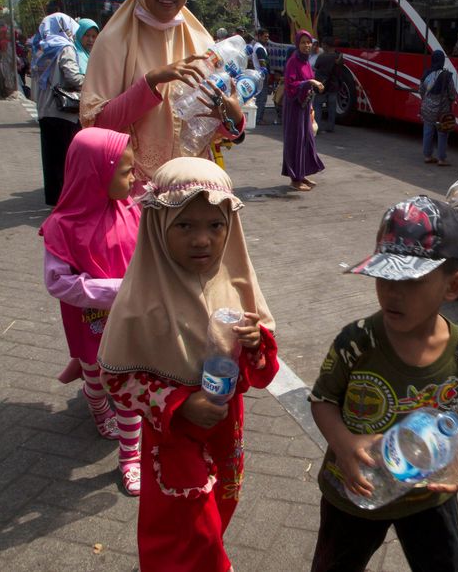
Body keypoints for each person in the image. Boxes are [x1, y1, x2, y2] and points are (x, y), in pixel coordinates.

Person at [98, 157, 279, 572]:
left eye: (215, 226)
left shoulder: (236, 281)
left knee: (219, 508)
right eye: (185, 226)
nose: (203, 240)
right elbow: (116, 378)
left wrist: (255, 341)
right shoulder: (142, 299)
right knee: (189, 529)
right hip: (174, 437)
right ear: (158, 225)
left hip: (226, 427)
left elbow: (263, 369)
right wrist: (178, 402)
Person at [309, 195, 458, 572]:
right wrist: (344, 443)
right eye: (384, 276)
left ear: (453, 286)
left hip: (428, 499)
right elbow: (322, 400)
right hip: (355, 492)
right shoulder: (356, 341)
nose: (391, 292)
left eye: (411, 280)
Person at [80, 0, 244, 188]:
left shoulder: (200, 40)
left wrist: (233, 119)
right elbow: (97, 125)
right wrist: (150, 82)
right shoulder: (113, 41)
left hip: (192, 185)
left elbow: (218, 133)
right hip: (134, 190)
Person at [40, 127, 142, 495]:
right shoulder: (62, 226)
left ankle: (131, 457)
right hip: (89, 325)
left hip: (129, 324)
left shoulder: (132, 210)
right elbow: (57, 283)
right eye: (126, 172)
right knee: (95, 378)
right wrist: (115, 290)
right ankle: (98, 408)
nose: (134, 179)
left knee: (128, 387)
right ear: (96, 173)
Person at [33, 13, 84, 206]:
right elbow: (72, 77)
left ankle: (54, 198)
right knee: (67, 157)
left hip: (44, 109)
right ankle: (67, 201)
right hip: (63, 111)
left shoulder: (41, 48)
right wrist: (92, 81)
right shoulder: (65, 47)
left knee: (50, 157)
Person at [282, 30, 325, 191]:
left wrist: (311, 104)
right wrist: (310, 82)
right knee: (296, 141)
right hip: (294, 108)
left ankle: (302, 174)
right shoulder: (293, 61)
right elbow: (291, 86)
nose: (307, 45)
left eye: (309, 42)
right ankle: (295, 179)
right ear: (297, 44)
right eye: (303, 42)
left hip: (305, 106)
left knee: (307, 140)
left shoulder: (306, 61)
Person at [419, 50, 455, 166]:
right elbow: (452, 93)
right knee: (442, 133)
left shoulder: (426, 73)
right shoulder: (446, 75)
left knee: (428, 131)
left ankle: (427, 156)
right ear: (442, 61)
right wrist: (450, 101)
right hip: (442, 110)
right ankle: (441, 159)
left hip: (427, 109)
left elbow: (421, 91)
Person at [312, 36, 342, 132]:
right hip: (333, 86)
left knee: (317, 106)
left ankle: (317, 127)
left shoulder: (322, 57)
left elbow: (316, 67)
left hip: (322, 86)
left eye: (323, 45)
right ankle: (330, 127)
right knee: (332, 107)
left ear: (326, 45)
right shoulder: (338, 57)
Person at [251, 28, 271, 124]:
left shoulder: (260, 47)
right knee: (261, 99)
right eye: (264, 36)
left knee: (260, 98)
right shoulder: (259, 48)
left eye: (267, 37)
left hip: (259, 75)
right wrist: (267, 76)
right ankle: (258, 119)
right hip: (261, 76)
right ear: (259, 36)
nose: (267, 38)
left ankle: (258, 118)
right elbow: (263, 63)